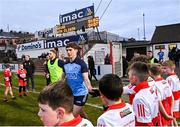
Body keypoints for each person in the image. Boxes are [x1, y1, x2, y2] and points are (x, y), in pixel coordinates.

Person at [64, 42, 93, 119]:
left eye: (70, 50)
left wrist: (89, 87)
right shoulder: (66, 63)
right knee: (81, 112)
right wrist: (57, 85)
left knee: (71, 117)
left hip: (81, 93)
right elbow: (63, 76)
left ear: (76, 50)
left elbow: (86, 78)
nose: (68, 52)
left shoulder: (81, 63)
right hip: (71, 93)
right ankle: (89, 123)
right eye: (67, 50)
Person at [128, 62, 159, 126]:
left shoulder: (139, 98)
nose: (128, 78)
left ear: (134, 78)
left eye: (129, 75)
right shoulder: (150, 89)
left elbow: (145, 124)